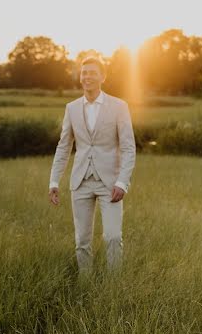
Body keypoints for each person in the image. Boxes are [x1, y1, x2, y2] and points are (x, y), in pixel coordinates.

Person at [48, 57, 136, 273]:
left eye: (92, 72)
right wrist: (54, 180)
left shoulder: (119, 106)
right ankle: (85, 285)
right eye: (84, 72)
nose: (87, 76)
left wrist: (122, 182)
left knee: (113, 237)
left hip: (111, 184)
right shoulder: (72, 108)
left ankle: (114, 287)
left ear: (102, 77)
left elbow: (128, 148)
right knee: (82, 241)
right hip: (80, 182)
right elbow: (63, 146)